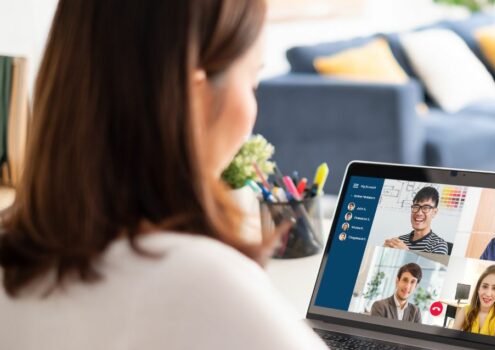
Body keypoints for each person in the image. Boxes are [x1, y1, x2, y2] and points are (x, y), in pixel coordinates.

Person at [0, 1, 326, 349]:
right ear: (195, 93)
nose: (252, 110)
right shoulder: (206, 287)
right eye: (252, 82)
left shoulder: (12, 256)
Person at [384, 186, 449, 255]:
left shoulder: (439, 245)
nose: (419, 213)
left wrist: (406, 252)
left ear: (434, 212)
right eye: (416, 207)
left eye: (426, 208)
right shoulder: (399, 241)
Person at [452, 264, 495, 337]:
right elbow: (451, 338)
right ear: (478, 288)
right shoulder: (465, 311)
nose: (488, 294)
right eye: (485, 286)